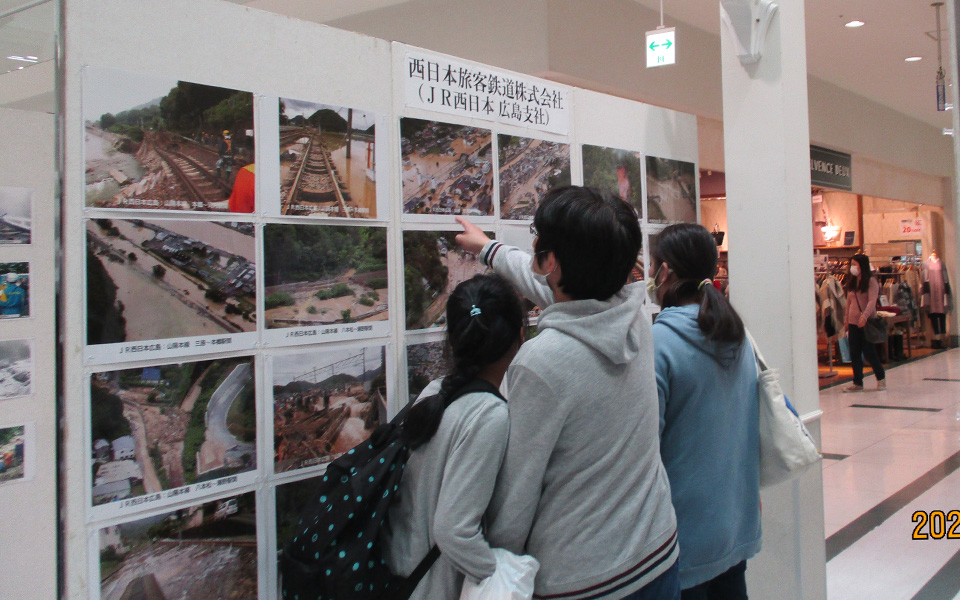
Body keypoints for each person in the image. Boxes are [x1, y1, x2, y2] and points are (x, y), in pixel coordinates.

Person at [455, 186, 680, 600]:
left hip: (585, 579)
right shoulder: (633, 318)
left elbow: (516, 497)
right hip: (658, 551)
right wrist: (489, 249)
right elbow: (553, 290)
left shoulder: (542, 362)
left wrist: (500, 572)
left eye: (538, 240)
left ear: (553, 261)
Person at [385, 273, 525, 600]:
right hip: (431, 588)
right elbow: (453, 533)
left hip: (400, 577)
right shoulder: (488, 415)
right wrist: (502, 576)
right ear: (519, 335)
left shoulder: (435, 392)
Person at [647, 223, 761, 599]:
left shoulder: (659, 343)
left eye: (652, 266)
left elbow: (647, 448)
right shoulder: (736, 335)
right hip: (735, 523)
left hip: (684, 540)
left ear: (665, 272)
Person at [843, 253, 886, 392]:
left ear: (862, 265)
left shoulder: (871, 281)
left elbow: (872, 301)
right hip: (853, 322)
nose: (852, 267)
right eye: (852, 264)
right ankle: (857, 382)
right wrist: (847, 321)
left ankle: (881, 378)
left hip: (866, 322)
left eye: (855, 264)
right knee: (854, 352)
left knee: (869, 352)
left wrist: (864, 317)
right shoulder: (852, 281)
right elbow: (849, 302)